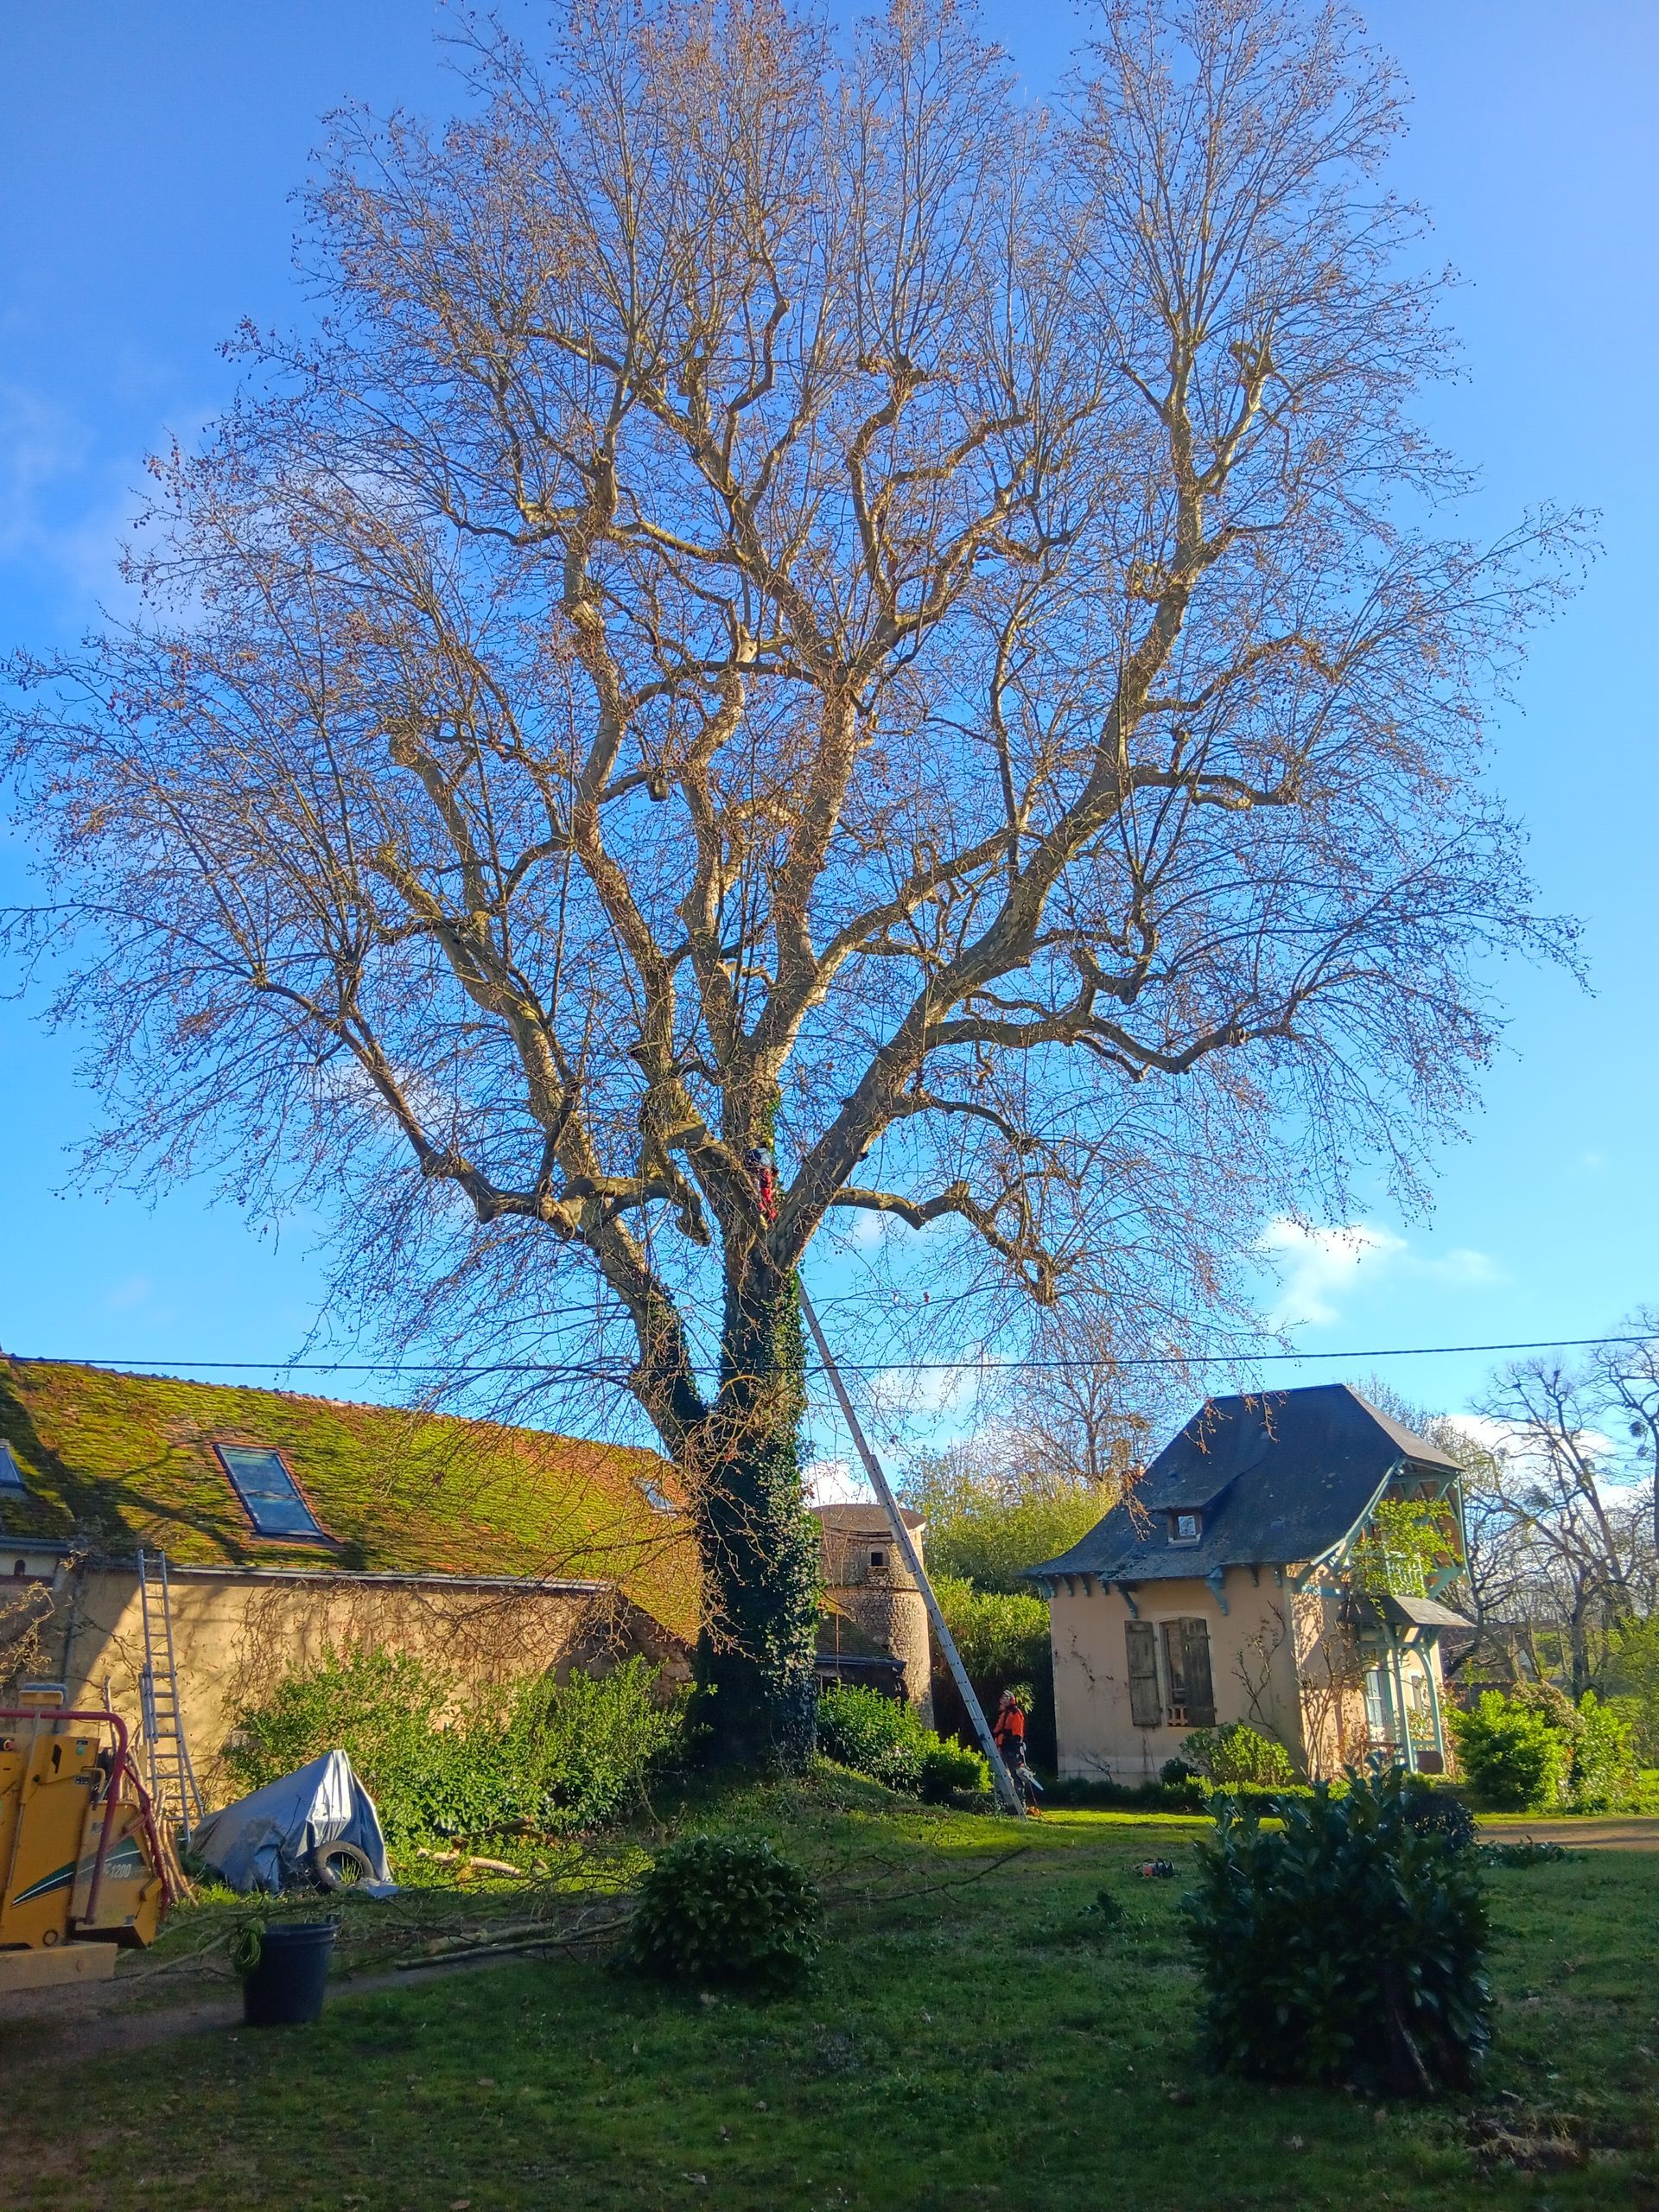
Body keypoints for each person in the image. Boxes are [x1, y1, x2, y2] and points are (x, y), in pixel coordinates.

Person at [992, 1688, 1042, 1810]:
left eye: (1004, 1698)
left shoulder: (1016, 1713)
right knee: (1001, 1775)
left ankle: (1020, 1803)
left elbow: (1017, 1734)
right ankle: (1006, 1802)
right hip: (1002, 1748)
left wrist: (1013, 1747)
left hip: (1012, 1749)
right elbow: (997, 1731)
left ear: (1010, 1699)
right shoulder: (1004, 1714)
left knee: (1017, 1775)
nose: (1002, 1700)